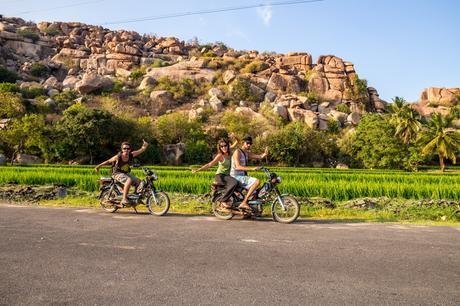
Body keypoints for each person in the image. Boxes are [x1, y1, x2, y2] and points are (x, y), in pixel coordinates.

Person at [95, 140, 149, 206]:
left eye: (128, 148)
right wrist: (98, 166)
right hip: (116, 173)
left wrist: (145, 146)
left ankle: (135, 198)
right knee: (128, 180)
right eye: (124, 148)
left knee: (138, 181)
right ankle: (124, 199)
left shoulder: (132, 155)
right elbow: (108, 161)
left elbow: (141, 150)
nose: (126, 150)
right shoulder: (118, 157)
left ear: (130, 149)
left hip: (125, 173)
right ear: (122, 149)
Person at [192, 137, 239, 208]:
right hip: (220, 176)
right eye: (221, 146)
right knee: (234, 182)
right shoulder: (220, 156)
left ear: (228, 145)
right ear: (220, 148)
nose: (224, 147)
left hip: (228, 176)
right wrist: (198, 169)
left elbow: (237, 142)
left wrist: (235, 137)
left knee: (239, 185)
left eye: (225, 145)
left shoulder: (230, 151)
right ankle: (223, 200)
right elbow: (210, 164)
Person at [230, 135, 268, 211]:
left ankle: (252, 209)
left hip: (242, 176)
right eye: (247, 143)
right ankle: (244, 202)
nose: (249, 145)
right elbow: (238, 167)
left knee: (256, 192)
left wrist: (264, 154)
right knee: (257, 181)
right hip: (236, 176)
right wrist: (253, 168)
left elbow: (259, 156)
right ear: (243, 143)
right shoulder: (237, 152)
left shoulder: (246, 153)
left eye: (250, 143)